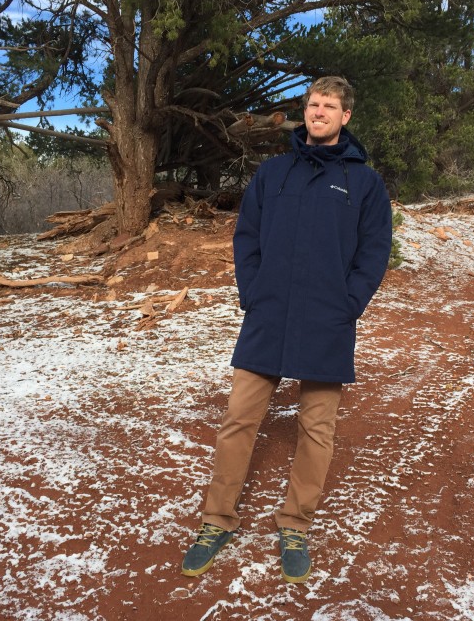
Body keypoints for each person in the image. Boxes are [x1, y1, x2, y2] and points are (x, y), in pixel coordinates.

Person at [181, 76, 393, 583]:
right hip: (269, 314)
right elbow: (247, 235)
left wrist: (349, 305)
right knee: (238, 418)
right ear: (305, 113)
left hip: (327, 319)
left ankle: (295, 524)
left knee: (317, 429)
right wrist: (252, 292)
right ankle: (216, 520)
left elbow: (374, 251)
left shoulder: (364, 182)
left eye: (329, 106)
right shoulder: (272, 172)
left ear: (346, 117)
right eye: (312, 104)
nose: (318, 112)